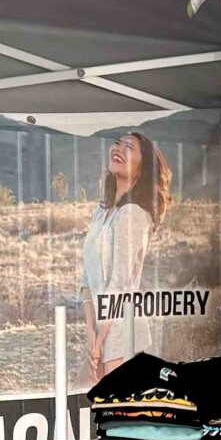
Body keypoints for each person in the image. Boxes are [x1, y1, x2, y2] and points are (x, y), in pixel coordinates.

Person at [81, 130, 172, 382]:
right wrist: (91, 334)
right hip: (101, 331)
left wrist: (100, 339)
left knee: (113, 404)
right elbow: (86, 281)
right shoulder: (101, 213)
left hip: (122, 332)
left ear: (142, 170)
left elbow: (119, 284)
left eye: (129, 148)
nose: (118, 149)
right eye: (117, 143)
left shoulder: (133, 214)